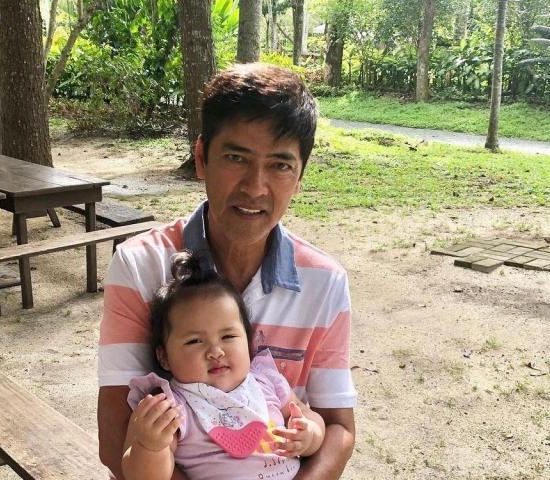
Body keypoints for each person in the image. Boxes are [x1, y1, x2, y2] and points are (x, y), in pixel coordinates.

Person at [98, 63, 357, 480]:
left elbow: (338, 427)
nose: (255, 187)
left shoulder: (324, 283)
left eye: (280, 165)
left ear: (300, 177)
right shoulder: (139, 265)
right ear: (201, 158)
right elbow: (115, 437)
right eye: (236, 157)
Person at [122, 251, 325, 480]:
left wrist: (309, 434)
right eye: (194, 341)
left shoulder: (266, 381)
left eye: (228, 337)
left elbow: (307, 414)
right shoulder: (170, 407)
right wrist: (150, 447)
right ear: (164, 357)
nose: (216, 351)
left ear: (248, 342)